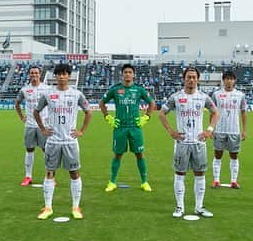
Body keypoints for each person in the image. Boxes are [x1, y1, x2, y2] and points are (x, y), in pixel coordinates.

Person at [33, 63, 92, 220]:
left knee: (74, 173)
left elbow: (88, 112)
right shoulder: (48, 94)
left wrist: (81, 131)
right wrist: (43, 129)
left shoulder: (76, 94)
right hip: (52, 141)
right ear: (55, 76)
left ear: (69, 76)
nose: (61, 76)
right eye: (58, 74)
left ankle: (75, 207)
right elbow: (36, 111)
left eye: (64, 73)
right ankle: (48, 207)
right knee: (50, 173)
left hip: (70, 141)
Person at [158, 67, 219, 218]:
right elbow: (161, 113)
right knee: (180, 174)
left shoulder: (203, 97)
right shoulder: (176, 97)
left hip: (199, 142)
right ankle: (180, 207)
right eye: (188, 77)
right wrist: (171, 131)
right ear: (184, 79)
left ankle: (199, 207)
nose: (191, 80)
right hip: (182, 142)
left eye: (194, 77)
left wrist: (209, 130)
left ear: (197, 79)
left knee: (200, 174)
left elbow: (216, 112)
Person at [99, 64, 156, 192]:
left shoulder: (139, 90)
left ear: (133, 74)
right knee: (117, 154)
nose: (127, 74)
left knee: (139, 154)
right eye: (125, 72)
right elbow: (102, 102)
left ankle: (144, 182)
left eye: (130, 72)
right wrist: (108, 117)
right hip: (120, 127)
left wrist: (146, 117)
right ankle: (112, 182)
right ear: (122, 74)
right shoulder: (115, 89)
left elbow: (152, 103)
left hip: (135, 127)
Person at [210, 70, 248, 189]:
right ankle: (216, 180)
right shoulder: (216, 94)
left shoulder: (240, 95)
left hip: (234, 130)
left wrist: (244, 130)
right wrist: (210, 128)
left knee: (234, 155)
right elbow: (212, 112)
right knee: (218, 155)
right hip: (219, 130)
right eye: (227, 79)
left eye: (231, 79)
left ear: (234, 80)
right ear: (223, 80)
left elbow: (243, 112)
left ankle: (234, 181)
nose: (229, 81)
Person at [14, 66, 50, 186]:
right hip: (29, 125)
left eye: (36, 73)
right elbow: (17, 103)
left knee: (46, 150)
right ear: (29, 75)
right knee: (29, 150)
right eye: (32, 73)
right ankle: (28, 176)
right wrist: (21, 117)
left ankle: (49, 176)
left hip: (43, 125)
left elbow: (53, 104)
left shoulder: (47, 89)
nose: (34, 75)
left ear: (40, 74)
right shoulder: (25, 90)